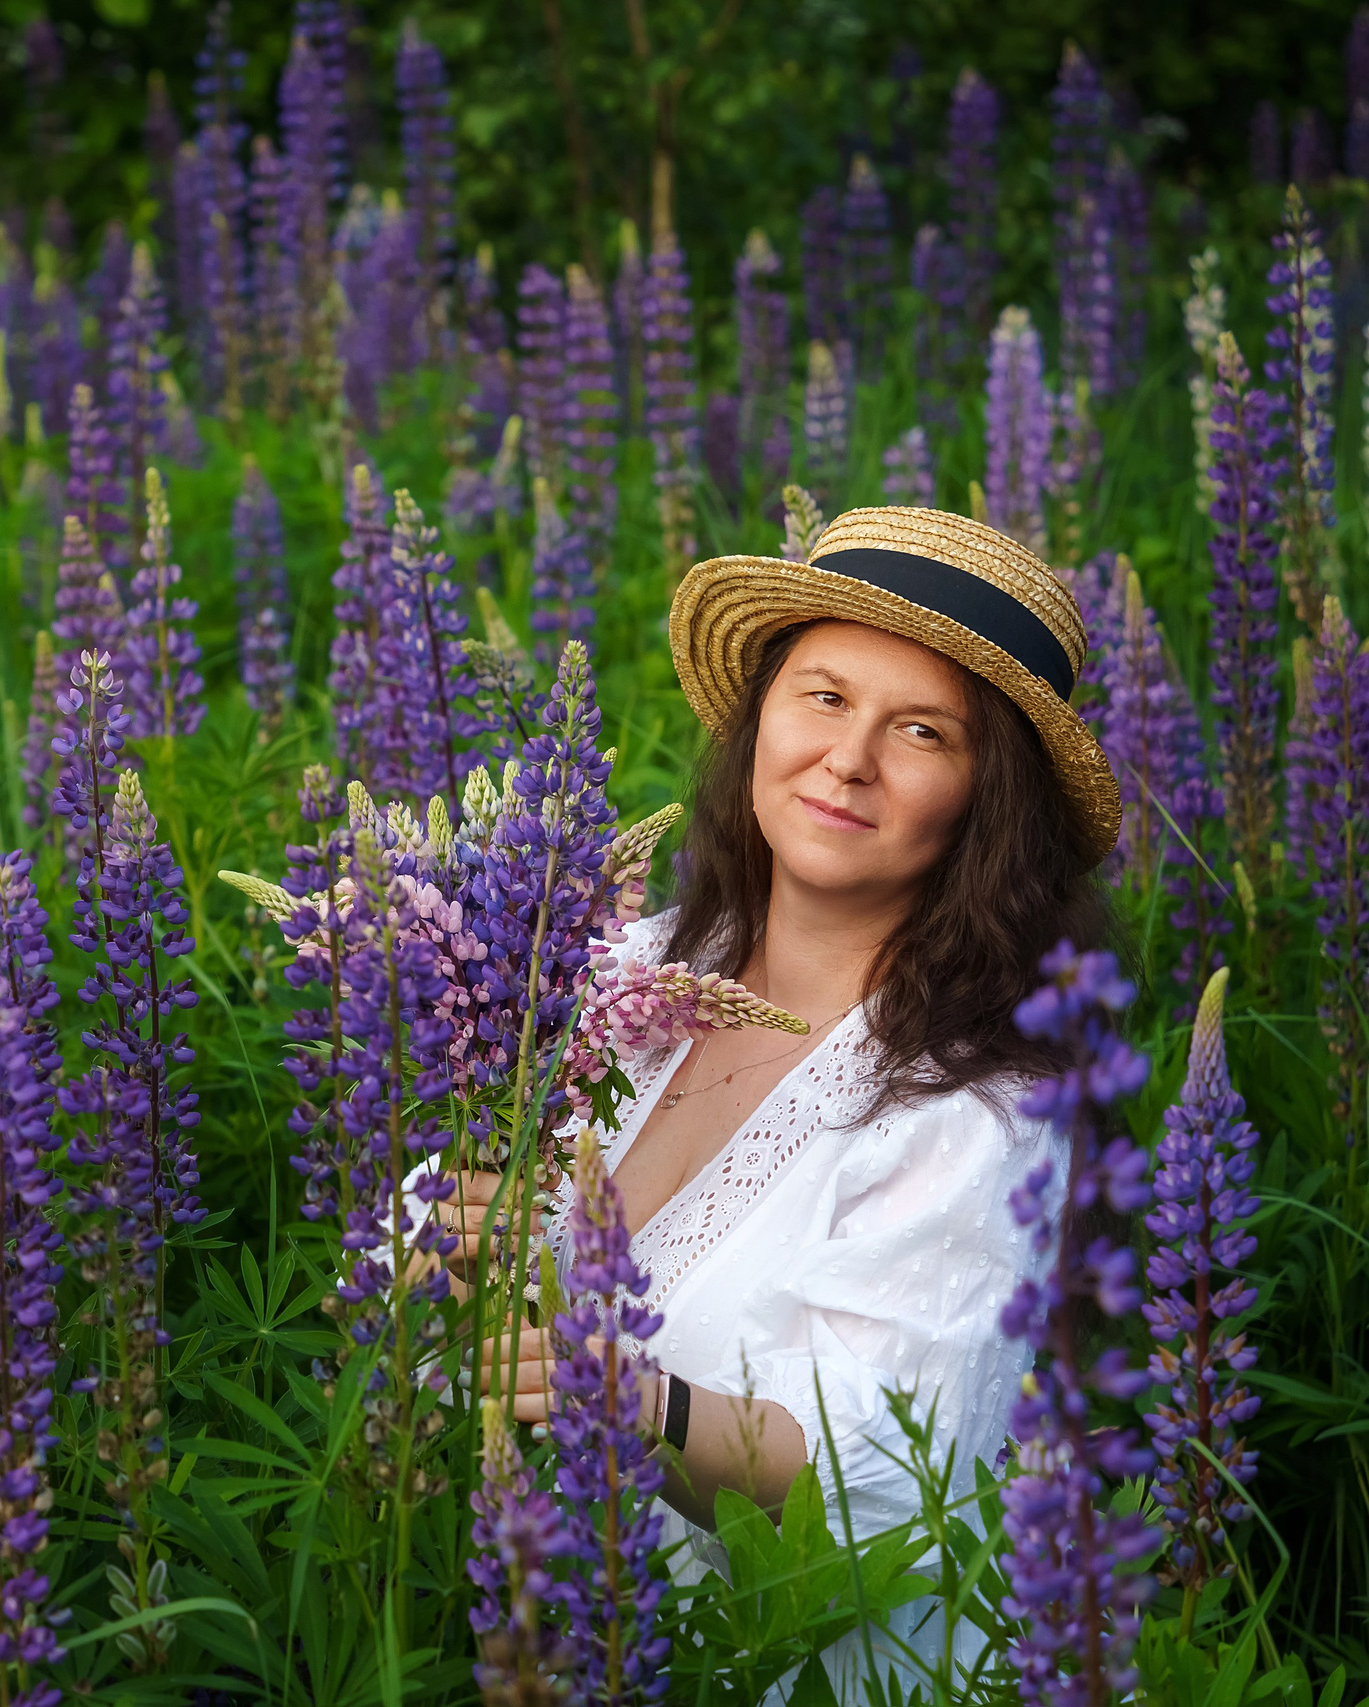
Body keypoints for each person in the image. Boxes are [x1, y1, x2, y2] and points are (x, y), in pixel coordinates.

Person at [445, 507, 1122, 1690]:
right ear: (760, 716)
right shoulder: (618, 970)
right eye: (822, 696)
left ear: (985, 803)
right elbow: (458, 1228)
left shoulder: (978, 1114)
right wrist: (437, 1240)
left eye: (920, 731)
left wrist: (626, 1399)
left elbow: (883, 1488)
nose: (848, 758)